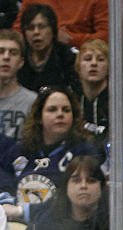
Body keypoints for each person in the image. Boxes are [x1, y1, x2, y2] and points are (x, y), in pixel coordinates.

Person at [0, 86, 99, 214]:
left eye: (66, 110)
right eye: (52, 110)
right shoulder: (20, 151)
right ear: (39, 117)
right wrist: (6, 202)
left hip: (62, 227)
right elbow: (3, 181)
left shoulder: (83, 152)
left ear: (73, 116)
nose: (60, 114)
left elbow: (78, 197)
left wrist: (23, 211)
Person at [13, 154, 108, 230]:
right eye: (76, 180)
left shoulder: (113, 229)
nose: (83, 185)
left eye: (91, 180)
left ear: (102, 187)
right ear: (66, 186)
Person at [16, 4, 76, 93]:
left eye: (42, 27)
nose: (36, 32)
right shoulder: (19, 57)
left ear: (53, 30)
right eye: (30, 28)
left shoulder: (66, 56)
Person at [14, 0, 108, 48]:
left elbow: (107, 37)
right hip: (36, 55)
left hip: (80, 55)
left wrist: (71, 39)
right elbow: (17, 33)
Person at [0, 30, 37, 140]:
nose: (6, 57)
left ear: (21, 62)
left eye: (13, 53)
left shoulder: (33, 101)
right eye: (1, 51)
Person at [75, 39, 110, 142]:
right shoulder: (72, 101)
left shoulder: (117, 102)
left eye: (100, 59)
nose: (94, 63)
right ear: (78, 67)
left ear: (108, 68)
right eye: (87, 59)